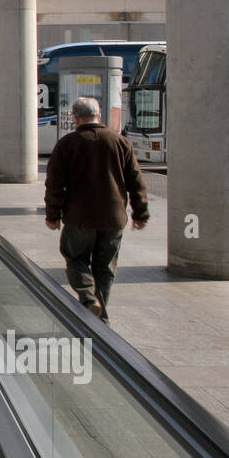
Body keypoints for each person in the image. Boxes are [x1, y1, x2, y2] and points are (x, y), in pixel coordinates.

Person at [43, 96, 148, 323]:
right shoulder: (120, 142)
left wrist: (53, 214)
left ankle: (90, 299)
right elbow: (136, 181)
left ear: (75, 118)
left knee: (75, 257)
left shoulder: (67, 144)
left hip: (79, 217)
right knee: (105, 268)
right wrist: (140, 213)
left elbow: (54, 183)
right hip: (113, 218)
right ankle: (101, 320)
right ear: (98, 115)